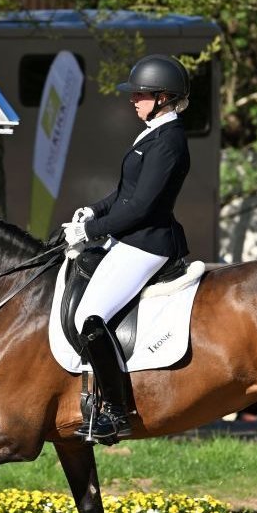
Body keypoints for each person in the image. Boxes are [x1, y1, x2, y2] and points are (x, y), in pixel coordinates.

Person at [62, 54, 192, 442]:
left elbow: (142, 207)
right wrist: (94, 210)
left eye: (140, 94)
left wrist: (92, 231)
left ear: (164, 97)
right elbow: (124, 193)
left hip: (148, 243)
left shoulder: (169, 140)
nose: (133, 100)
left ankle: (115, 410)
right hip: (131, 237)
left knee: (90, 315)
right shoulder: (152, 132)